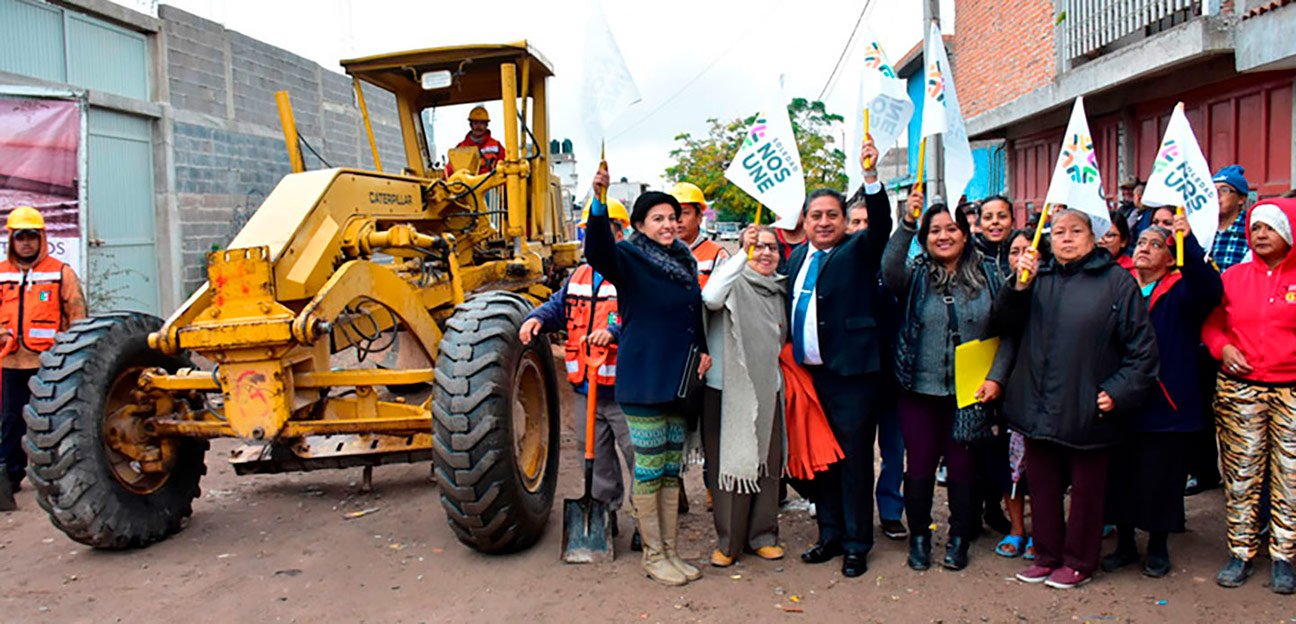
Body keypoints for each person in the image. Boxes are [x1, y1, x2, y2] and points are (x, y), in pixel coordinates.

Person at [999, 209, 1159, 589]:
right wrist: (1017, 285)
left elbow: (1143, 351)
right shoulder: (1038, 278)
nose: (1066, 238)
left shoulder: (1117, 283)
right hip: (1037, 404)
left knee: (1087, 493)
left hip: (1088, 407)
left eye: (1075, 231)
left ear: (1094, 236)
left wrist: (1117, 391)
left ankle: (1079, 561)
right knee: (1043, 486)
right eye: (1058, 232)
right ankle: (1046, 555)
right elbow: (1003, 324)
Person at [583, 173, 711, 587]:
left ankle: (671, 550)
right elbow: (597, 250)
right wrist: (599, 200)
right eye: (658, 218)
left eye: (673, 217)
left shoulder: (684, 261)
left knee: (672, 471)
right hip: (644, 381)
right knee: (650, 470)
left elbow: (693, 315)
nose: (668, 225)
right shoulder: (629, 257)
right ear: (640, 225)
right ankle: (654, 555)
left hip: (679, 380)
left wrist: (704, 350)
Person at [882, 196, 1014, 571]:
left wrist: (996, 378)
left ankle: (959, 538)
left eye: (951, 228)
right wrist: (906, 224)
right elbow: (889, 270)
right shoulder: (915, 273)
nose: (944, 236)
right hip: (919, 389)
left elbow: (1008, 332)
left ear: (965, 232)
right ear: (924, 238)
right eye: (934, 230)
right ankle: (920, 537)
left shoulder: (989, 273)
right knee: (920, 466)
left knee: (962, 468)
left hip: (971, 392)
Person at [789, 139, 892, 578]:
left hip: (851, 378)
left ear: (844, 220)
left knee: (852, 461)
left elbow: (883, 224)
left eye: (833, 214)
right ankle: (829, 535)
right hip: (808, 379)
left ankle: (856, 544)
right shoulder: (794, 258)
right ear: (805, 222)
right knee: (820, 460)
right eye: (817, 215)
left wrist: (871, 178)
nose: (825, 221)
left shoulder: (858, 251)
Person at [1102, 218, 1223, 578]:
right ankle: (1124, 543)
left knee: (1161, 478)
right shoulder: (1118, 286)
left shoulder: (1182, 290)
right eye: (1141, 243)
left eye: (1156, 244)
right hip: (1120, 396)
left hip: (1166, 401)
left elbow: (1210, 289)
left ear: (1171, 259)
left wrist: (1188, 243)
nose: (1144, 248)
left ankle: (1157, 547)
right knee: (1119, 473)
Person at [518, 197, 638, 548]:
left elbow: (642, 318)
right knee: (597, 457)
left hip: (625, 390)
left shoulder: (632, 273)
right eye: (587, 231)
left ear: (618, 233)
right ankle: (604, 514)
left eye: (597, 231)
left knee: (638, 457)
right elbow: (559, 306)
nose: (590, 238)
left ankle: (648, 523)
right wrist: (536, 318)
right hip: (588, 387)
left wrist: (614, 331)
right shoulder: (579, 276)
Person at [1201, 198, 1296, 594]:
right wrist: (1222, 348)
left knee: (1290, 476)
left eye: (1270, 228)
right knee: (1241, 474)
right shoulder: (1233, 278)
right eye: (1255, 228)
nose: (1260, 234)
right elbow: (1211, 325)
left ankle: (1284, 556)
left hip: (1291, 389)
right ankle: (1240, 551)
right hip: (1241, 390)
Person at [700, 226, 787, 567]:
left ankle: (762, 536)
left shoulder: (778, 289)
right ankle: (729, 542)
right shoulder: (730, 281)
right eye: (757, 246)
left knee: (766, 464)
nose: (765, 253)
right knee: (730, 465)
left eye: (772, 248)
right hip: (727, 393)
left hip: (768, 390)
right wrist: (741, 254)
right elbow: (710, 299)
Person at [0, 206, 87, 493]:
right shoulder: (1, 274)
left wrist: (73, 354)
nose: (26, 242)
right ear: (11, 239)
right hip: (11, 362)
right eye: (20, 236)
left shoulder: (61, 273)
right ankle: (10, 477)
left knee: (53, 423)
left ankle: (55, 478)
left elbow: (77, 316)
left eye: (31, 236)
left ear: (42, 237)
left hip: (51, 364)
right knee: (11, 422)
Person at [846, 196, 907, 542]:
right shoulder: (837, 265)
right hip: (853, 378)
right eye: (854, 222)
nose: (859, 230)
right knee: (852, 451)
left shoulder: (895, 267)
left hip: (891, 376)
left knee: (893, 450)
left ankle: (890, 510)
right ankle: (851, 514)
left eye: (866, 223)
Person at [669, 182, 729, 288]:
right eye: (673, 214)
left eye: (685, 213)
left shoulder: (717, 255)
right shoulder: (658, 253)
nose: (678, 220)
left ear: (699, 217)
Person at [1210, 165, 1251, 271]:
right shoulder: (1202, 229)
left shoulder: (1251, 230)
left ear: (1241, 199)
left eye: (1224, 190)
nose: (1217, 195)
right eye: (1213, 190)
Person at [447, 106, 504, 175]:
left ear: (486, 125)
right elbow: (449, 171)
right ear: (471, 125)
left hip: (491, 184)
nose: (478, 126)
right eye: (475, 123)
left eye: (481, 123)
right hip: (467, 185)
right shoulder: (461, 147)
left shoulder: (497, 146)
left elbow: (506, 168)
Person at [974, 196, 1015, 276]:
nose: (995, 221)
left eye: (1002, 216)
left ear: (1012, 221)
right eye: (988, 217)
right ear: (979, 223)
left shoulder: (1023, 250)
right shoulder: (970, 252)